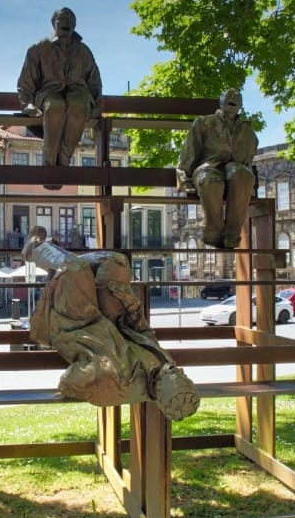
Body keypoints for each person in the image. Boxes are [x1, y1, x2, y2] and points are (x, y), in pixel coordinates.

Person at [21, 225, 199, 421]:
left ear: (158, 391)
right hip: (113, 321)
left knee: (76, 270)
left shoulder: (116, 383)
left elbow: (67, 383)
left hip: (81, 326)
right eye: (181, 374)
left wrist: (94, 368)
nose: (175, 370)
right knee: (116, 261)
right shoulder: (164, 366)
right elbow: (143, 332)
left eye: (175, 377)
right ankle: (60, 263)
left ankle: (36, 249)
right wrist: (131, 305)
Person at [16, 7, 103, 182]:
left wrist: (97, 105)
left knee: (78, 107)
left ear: (75, 25)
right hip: (49, 94)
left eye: (70, 19)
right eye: (62, 19)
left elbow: (94, 82)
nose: (66, 23)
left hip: (78, 94)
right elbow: (25, 83)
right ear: (54, 23)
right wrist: (27, 105)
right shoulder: (38, 49)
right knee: (55, 107)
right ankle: (49, 163)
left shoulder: (84, 51)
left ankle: (64, 160)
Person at [176, 88, 258, 249]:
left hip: (234, 177)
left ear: (240, 105)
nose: (232, 98)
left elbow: (247, 162)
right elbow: (189, 153)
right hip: (208, 168)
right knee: (210, 179)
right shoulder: (203, 123)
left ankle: (232, 233)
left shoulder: (248, 134)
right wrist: (184, 177)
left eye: (236, 98)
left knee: (242, 174)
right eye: (228, 96)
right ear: (221, 102)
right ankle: (214, 230)